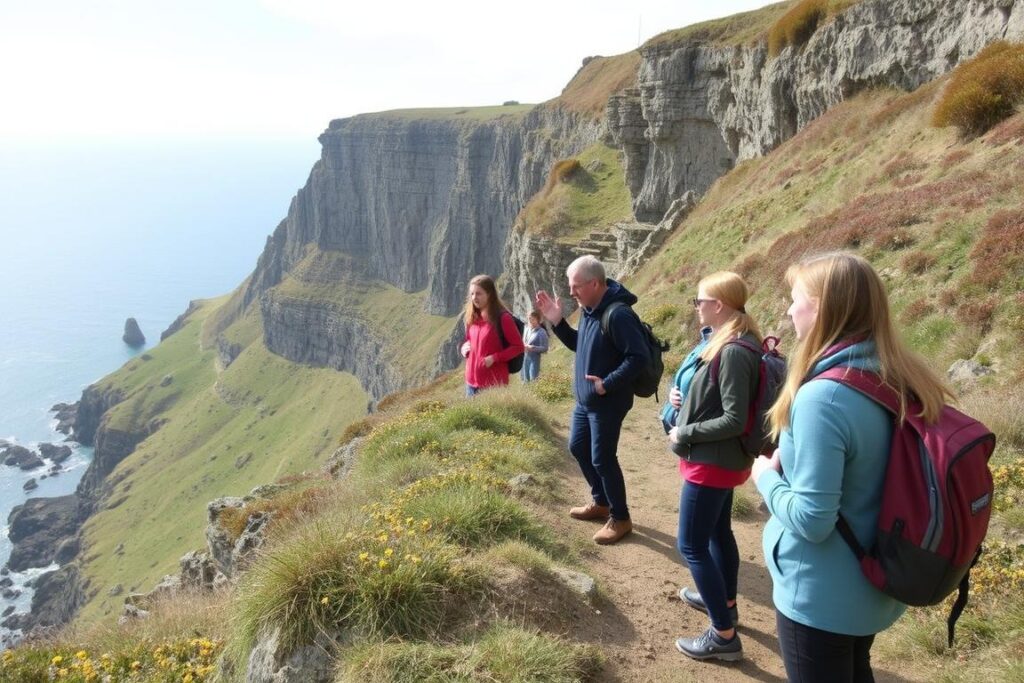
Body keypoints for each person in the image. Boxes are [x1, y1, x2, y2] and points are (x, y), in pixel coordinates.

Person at [752, 252, 953, 682]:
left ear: (821, 306)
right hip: (874, 584)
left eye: (795, 298)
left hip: (821, 596)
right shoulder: (900, 375)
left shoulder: (823, 397)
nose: (789, 310)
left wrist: (765, 478)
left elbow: (812, 520)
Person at [668, 271, 762, 662]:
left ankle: (723, 635)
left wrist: (683, 431)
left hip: (712, 463)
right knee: (718, 533)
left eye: (700, 301)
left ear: (719, 305)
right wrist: (683, 399)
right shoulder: (732, 342)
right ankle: (725, 605)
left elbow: (734, 418)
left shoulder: (735, 350)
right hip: (719, 461)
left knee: (690, 543)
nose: (696, 307)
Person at [535, 255, 649, 545]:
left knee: (602, 458)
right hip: (587, 402)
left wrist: (606, 384)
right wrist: (558, 323)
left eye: (576, 287)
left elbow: (638, 357)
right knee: (577, 447)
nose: (572, 292)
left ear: (595, 283)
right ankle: (601, 502)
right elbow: (580, 344)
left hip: (607, 401)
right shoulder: (589, 309)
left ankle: (621, 518)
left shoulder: (618, 314)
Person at [460, 274, 525, 396]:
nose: (474, 297)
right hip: (471, 383)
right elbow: (469, 340)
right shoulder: (472, 317)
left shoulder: (503, 318)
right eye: (472, 294)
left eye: (478, 293)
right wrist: (464, 348)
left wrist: (495, 358)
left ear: (489, 294)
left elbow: (518, 347)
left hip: (492, 384)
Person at [521, 310, 549, 382]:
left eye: (532, 319)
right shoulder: (527, 329)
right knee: (525, 381)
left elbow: (545, 348)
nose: (530, 321)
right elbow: (523, 342)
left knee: (533, 380)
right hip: (525, 358)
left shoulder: (541, 332)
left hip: (534, 360)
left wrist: (532, 348)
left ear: (537, 319)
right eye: (529, 319)